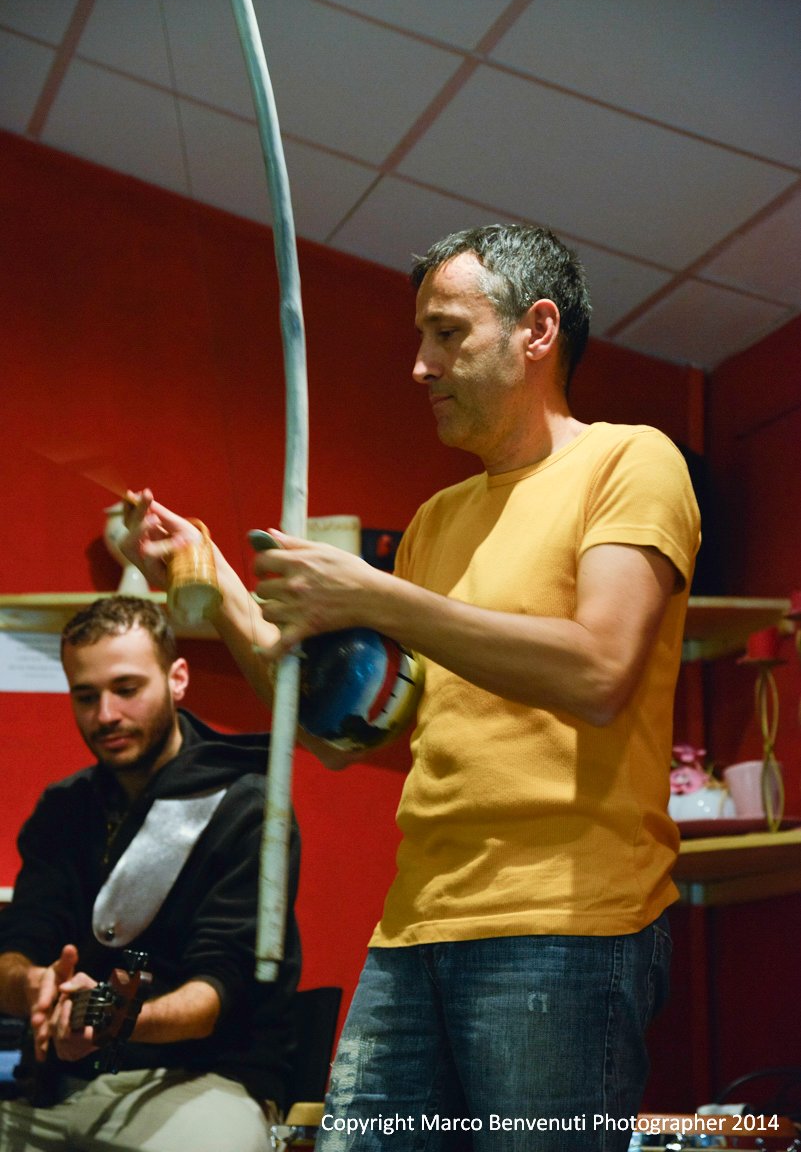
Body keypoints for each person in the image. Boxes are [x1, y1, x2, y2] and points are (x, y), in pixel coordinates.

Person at [123, 223, 701, 1152]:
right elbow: (347, 734)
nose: (420, 365)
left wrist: (375, 595)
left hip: (566, 924)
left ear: (536, 330)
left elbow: (598, 672)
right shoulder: (436, 521)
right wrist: (217, 583)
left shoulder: (630, 460)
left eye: (447, 333)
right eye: (421, 336)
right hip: (416, 926)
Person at [0, 596, 301, 1152]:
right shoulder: (63, 808)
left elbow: (217, 992)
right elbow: (17, 948)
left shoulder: (248, 807)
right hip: (55, 1089)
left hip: (202, 1082)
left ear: (177, 678)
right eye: (86, 696)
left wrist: (118, 1020)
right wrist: (33, 984)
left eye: (127, 688)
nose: (106, 714)